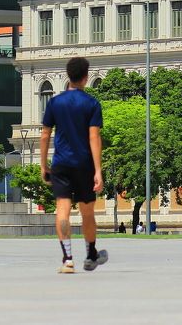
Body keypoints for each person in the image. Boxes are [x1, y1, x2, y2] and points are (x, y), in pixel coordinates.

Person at [40, 57, 108, 274]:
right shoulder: (91, 104)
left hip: (61, 163)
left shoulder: (54, 103)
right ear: (86, 77)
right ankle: (90, 254)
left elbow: (44, 135)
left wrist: (44, 165)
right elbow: (94, 137)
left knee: (63, 209)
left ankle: (68, 259)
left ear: (68, 76)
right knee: (87, 211)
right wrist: (98, 170)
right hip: (84, 165)